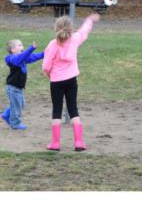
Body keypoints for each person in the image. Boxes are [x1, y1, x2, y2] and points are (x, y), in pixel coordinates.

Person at [42, 12, 101, 151]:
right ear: (71, 29)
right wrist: (90, 19)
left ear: (56, 29)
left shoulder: (52, 44)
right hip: (71, 80)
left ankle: (55, 144)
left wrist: (48, 74)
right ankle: (79, 142)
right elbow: (84, 30)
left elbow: (46, 65)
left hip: (56, 82)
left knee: (56, 110)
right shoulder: (75, 39)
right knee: (73, 109)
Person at [0, 38, 44, 130]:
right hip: (13, 88)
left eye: (22, 45)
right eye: (19, 45)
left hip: (18, 88)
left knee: (20, 104)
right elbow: (19, 59)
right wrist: (31, 48)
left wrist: (45, 54)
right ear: (13, 50)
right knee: (17, 106)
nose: (22, 47)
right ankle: (15, 124)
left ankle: (6, 114)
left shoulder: (22, 58)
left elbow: (33, 57)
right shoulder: (13, 58)